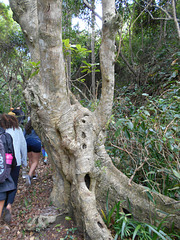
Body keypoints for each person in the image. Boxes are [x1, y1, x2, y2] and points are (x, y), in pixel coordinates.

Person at [0, 114, 27, 223]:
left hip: (2, 165)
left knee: (3, 184)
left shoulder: (3, 132)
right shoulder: (17, 129)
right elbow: (23, 145)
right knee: (12, 184)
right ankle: (9, 205)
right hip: (13, 162)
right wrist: (24, 161)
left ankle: (2, 207)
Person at [24, 120, 41, 185]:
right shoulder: (38, 126)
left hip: (27, 142)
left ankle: (34, 174)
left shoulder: (27, 127)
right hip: (36, 142)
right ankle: (29, 174)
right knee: (35, 161)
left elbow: (23, 135)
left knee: (30, 160)